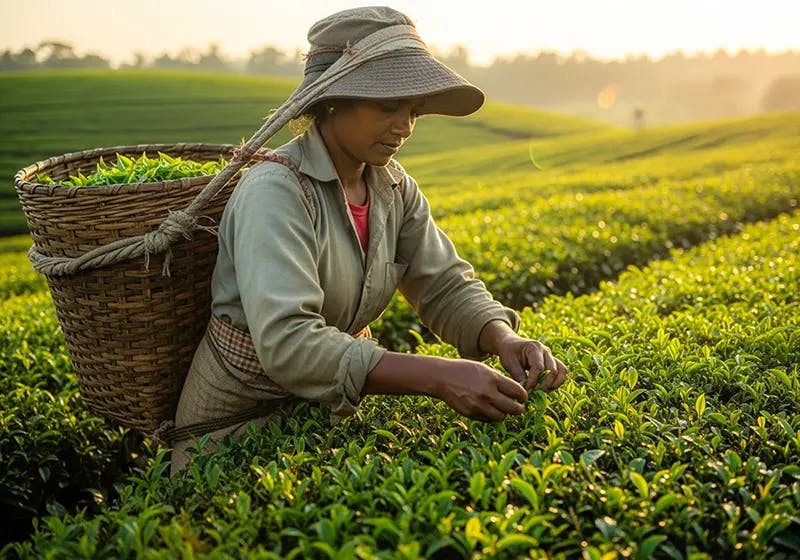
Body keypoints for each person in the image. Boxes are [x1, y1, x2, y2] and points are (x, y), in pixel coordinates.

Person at [170, 6, 568, 475]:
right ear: (333, 101)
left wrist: (502, 337)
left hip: (324, 421)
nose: (404, 126)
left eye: (413, 110)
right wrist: (438, 376)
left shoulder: (393, 187)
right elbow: (289, 342)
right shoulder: (274, 193)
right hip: (233, 438)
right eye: (387, 107)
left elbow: (442, 283)